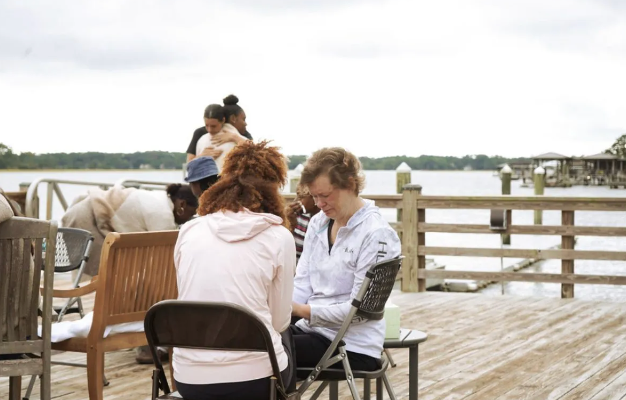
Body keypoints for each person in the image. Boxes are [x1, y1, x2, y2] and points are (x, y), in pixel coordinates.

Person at [173, 140, 296, 399]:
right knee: (285, 339)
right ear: (273, 188)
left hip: (189, 379)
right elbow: (280, 320)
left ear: (225, 180)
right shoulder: (278, 236)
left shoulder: (189, 230)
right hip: (254, 381)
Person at [290, 147, 401, 376]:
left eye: (325, 195)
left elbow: (361, 312)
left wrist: (300, 310)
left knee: (267, 351)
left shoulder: (377, 233)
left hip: (353, 346)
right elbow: (302, 283)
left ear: (350, 184)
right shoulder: (318, 223)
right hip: (312, 331)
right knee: (253, 339)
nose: (319, 203)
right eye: (314, 196)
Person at [186, 94, 252, 163]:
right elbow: (189, 163)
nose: (209, 130)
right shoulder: (200, 133)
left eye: (214, 126)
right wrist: (202, 156)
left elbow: (256, 151)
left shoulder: (241, 134)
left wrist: (234, 137)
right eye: (207, 125)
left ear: (223, 121)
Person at [285, 183, 320, 263]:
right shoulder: (299, 216)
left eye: (300, 197)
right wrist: (289, 222)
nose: (296, 200)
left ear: (313, 198)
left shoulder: (324, 221)